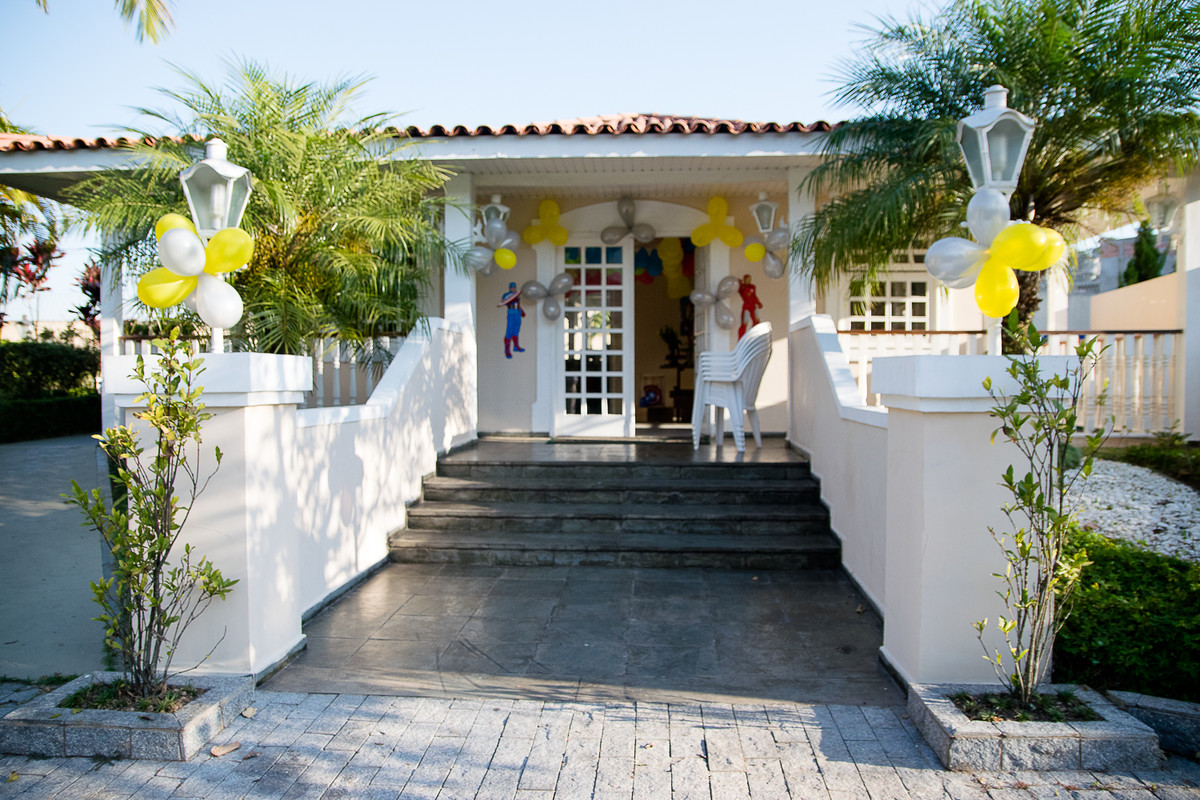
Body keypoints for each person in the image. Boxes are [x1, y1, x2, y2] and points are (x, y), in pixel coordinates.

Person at [498, 282, 526, 358]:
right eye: (512, 287)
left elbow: (518, 304)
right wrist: (512, 298)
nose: (514, 288)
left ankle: (516, 346)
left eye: (514, 287)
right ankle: (507, 350)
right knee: (509, 331)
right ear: (510, 288)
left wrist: (522, 311)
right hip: (511, 313)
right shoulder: (506, 295)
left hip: (517, 313)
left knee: (516, 330)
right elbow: (504, 302)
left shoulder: (517, 295)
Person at [738, 274, 762, 339]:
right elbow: (742, 293)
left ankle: (754, 336)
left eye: (749, 279)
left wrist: (758, 303)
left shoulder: (753, 287)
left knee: (756, 321)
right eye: (746, 279)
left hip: (753, 306)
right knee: (745, 322)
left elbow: (754, 296)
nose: (748, 281)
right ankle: (741, 338)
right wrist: (740, 283)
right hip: (746, 307)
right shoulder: (742, 288)